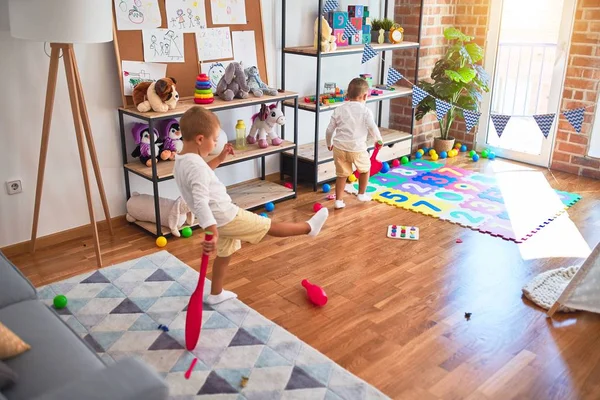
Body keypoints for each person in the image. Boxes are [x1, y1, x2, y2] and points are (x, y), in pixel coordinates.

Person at [174, 107, 329, 305]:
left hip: (219, 218)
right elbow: (200, 200)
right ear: (199, 139)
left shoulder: (183, 161)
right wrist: (211, 230)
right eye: (214, 140)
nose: (215, 144)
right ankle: (308, 228)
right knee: (268, 226)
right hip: (225, 216)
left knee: (225, 253)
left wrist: (220, 158)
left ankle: (216, 293)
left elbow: (203, 173)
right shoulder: (195, 166)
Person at [326, 78, 383, 209]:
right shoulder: (366, 111)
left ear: (347, 95)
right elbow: (372, 127)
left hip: (339, 148)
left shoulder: (339, 110)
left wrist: (329, 143)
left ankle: (339, 201)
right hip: (357, 149)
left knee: (341, 175)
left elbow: (329, 129)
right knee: (365, 169)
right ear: (365, 96)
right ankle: (361, 194)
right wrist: (378, 140)